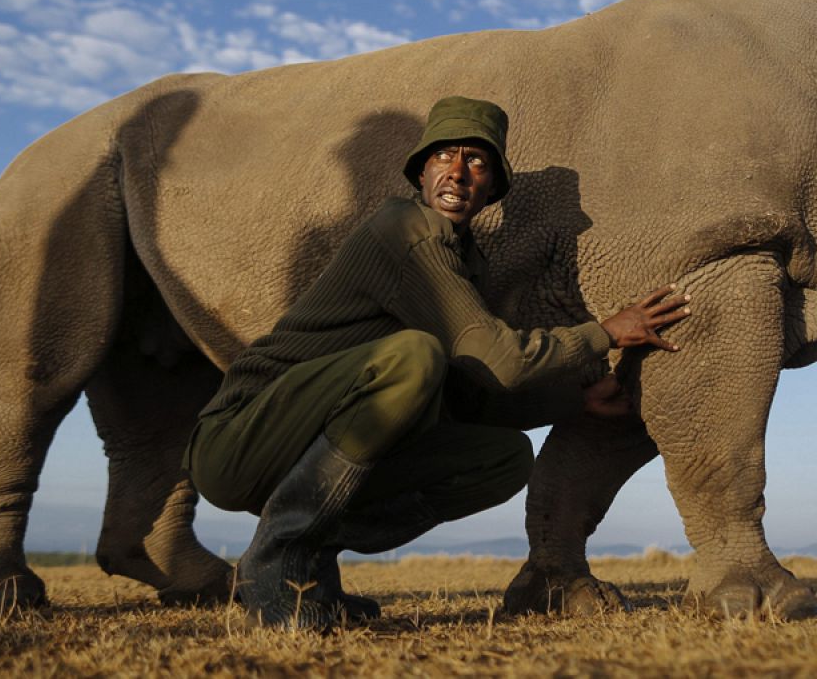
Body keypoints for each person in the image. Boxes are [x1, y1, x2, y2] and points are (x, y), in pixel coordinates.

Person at [184, 95, 690, 630]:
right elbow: (498, 356)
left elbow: (474, 390)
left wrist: (575, 399)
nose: (458, 171)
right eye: (444, 155)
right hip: (237, 440)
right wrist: (605, 332)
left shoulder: (464, 262)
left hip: (298, 455)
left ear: (492, 186)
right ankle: (274, 556)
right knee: (414, 357)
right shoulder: (404, 229)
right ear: (421, 172)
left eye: (477, 161)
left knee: (503, 459)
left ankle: (307, 563)